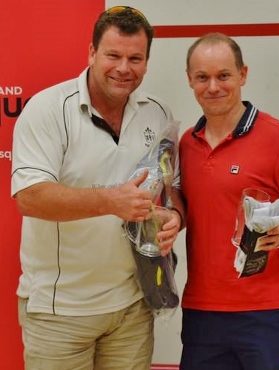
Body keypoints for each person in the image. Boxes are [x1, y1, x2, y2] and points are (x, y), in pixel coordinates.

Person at [11, 6, 183, 370]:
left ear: (147, 62)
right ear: (91, 53)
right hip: (61, 313)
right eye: (113, 55)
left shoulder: (158, 113)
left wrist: (174, 217)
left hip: (134, 308)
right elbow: (29, 197)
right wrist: (111, 201)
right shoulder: (47, 109)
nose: (124, 68)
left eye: (135, 58)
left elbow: (172, 187)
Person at [179, 32, 279, 370]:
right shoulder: (186, 144)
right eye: (203, 77)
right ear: (190, 80)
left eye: (224, 75)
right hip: (202, 312)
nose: (213, 86)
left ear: (243, 75)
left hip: (267, 311)